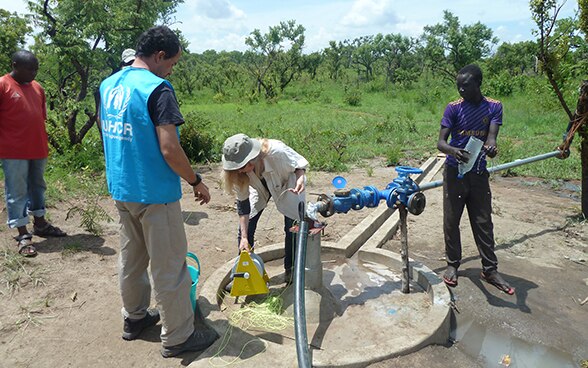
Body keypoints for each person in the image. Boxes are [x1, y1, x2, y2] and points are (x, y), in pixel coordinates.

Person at [98, 25, 217, 358]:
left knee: (132, 259)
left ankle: (134, 319)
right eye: (172, 63)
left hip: (122, 188)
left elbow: (106, 131)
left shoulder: (108, 85)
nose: (172, 70)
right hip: (154, 192)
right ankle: (178, 336)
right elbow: (169, 149)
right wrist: (195, 180)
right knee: (169, 266)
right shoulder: (158, 89)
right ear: (160, 56)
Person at [437, 64, 515, 295]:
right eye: (458, 85)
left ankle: (489, 270)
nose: (461, 89)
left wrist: (491, 147)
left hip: (479, 173)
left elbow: (492, 137)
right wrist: (453, 151)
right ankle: (452, 265)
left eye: (466, 85)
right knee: (452, 221)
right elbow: (440, 142)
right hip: (455, 172)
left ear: (478, 84)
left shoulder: (493, 107)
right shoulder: (453, 108)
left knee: (483, 222)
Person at [0, 50, 67, 258]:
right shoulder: (3, 85)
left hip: (37, 148)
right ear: (15, 65)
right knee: (17, 191)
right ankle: (22, 233)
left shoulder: (38, 87)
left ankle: (40, 223)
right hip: (13, 151)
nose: (34, 73)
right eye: (30, 68)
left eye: (36, 68)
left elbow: (39, 117)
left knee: (38, 187)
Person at [221, 133, 308, 284]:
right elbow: (243, 205)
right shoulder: (238, 172)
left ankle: (292, 271)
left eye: (242, 166)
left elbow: (299, 165)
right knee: (246, 229)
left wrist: (300, 178)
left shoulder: (278, 152)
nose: (239, 170)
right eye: (237, 167)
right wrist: (244, 237)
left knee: (292, 227)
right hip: (259, 187)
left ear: (252, 159)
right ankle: (246, 273)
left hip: (287, 183)